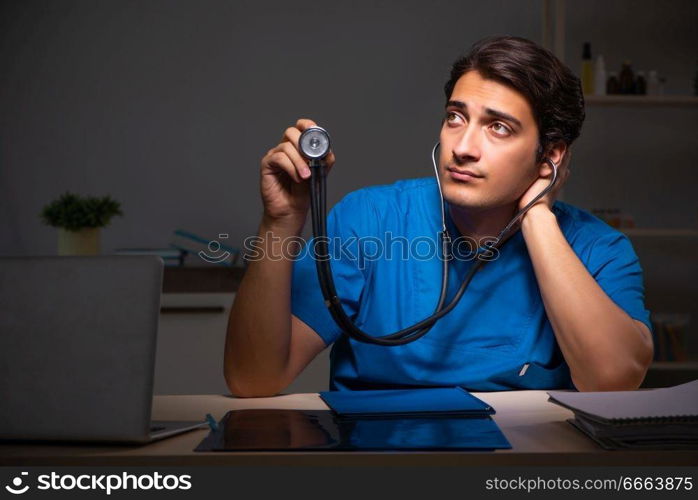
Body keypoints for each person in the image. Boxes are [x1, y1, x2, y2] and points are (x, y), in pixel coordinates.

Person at [224, 35, 653, 397]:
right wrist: (278, 224)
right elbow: (254, 380)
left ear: (550, 156)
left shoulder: (599, 248)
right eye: (455, 117)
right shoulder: (368, 220)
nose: (463, 146)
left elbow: (613, 381)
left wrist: (537, 216)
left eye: (498, 127)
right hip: (375, 462)